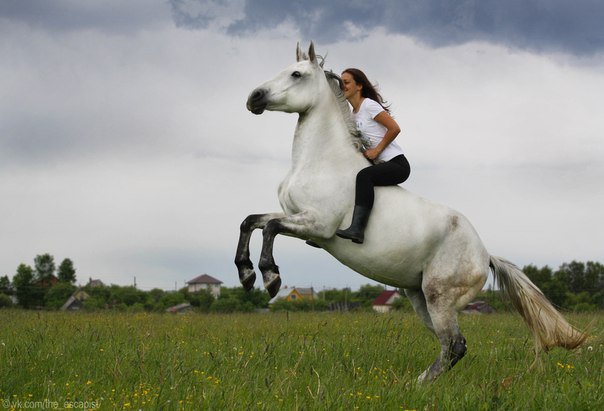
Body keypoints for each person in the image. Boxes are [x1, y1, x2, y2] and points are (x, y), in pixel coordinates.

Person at [335, 68, 410, 244]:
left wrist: (376, 151)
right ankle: (329, 228)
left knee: (363, 176)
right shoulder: (352, 115)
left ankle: (358, 230)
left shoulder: (369, 105)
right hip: (378, 164)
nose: (342, 86)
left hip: (397, 164)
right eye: (340, 83)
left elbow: (394, 128)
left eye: (346, 82)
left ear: (359, 86)